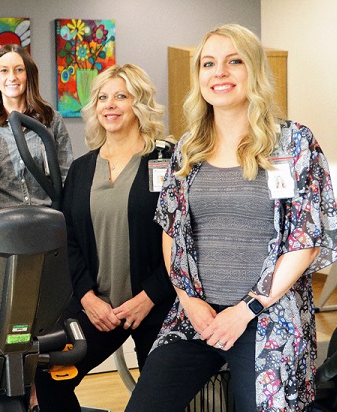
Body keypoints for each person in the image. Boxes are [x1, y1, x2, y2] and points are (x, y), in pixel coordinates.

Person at [126, 24, 337, 411]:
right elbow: (172, 233)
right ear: (199, 78)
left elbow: (304, 241)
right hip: (197, 312)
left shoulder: (292, 143)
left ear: (253, 70)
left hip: (267, 313)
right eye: (208, 64)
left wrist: (246, 310)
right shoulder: (188, 150)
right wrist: (187, 300)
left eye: (233, 61)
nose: (219, 72)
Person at [33, 64, 175, 411]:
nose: (109, 105)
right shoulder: (82, 169)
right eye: (102, 97)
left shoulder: (167, 160)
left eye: (120, 96)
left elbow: (183, 239)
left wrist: (149, 296)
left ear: (138, 103)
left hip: (155, 305)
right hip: (98, 308)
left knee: (156, 399)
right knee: (48, 376)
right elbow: (67, 239)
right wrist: (88, 298)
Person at [0, 44, 73, 216]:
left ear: (28, 75)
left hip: (47, 221)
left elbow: (66, 175)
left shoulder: (51, 120)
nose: (12, 77)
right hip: (1, 226)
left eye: (19, 70)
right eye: (4, 71)